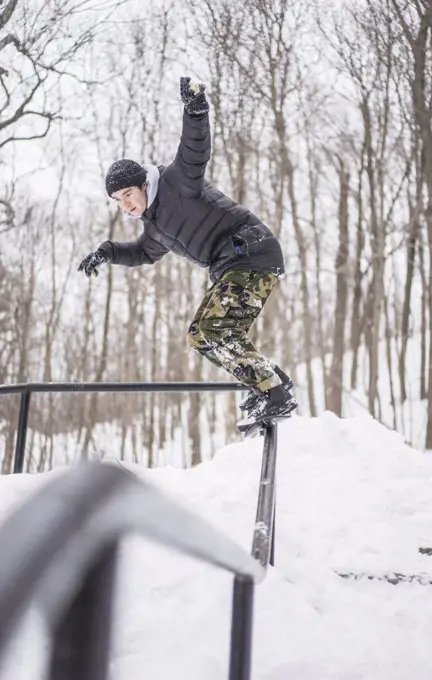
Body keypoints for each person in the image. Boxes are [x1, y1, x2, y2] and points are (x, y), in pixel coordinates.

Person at [78, 76, 297, 425]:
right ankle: (271, 382)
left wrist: (196, 109)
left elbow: (194, 149)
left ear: (142, 184)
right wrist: (107, 252)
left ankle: (274, 392)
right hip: (233, 266)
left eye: (128, 195)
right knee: (200, 336)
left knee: (214, 328)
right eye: (118, 202)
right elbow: (142, 253)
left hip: (251, 251)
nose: (126, 205)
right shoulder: (154, 225)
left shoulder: (175, 182)